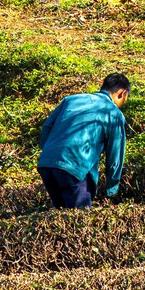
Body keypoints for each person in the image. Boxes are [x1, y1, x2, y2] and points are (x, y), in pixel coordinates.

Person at [37, 72, 131, 208]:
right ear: (122, 93)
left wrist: (50, 152)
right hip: (74, 166)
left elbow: (47, 127)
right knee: (79, 220)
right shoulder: (113, 113)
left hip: (47, 164)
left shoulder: (71, 100)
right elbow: (115, 153)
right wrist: (112, 186)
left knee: (60, 217)